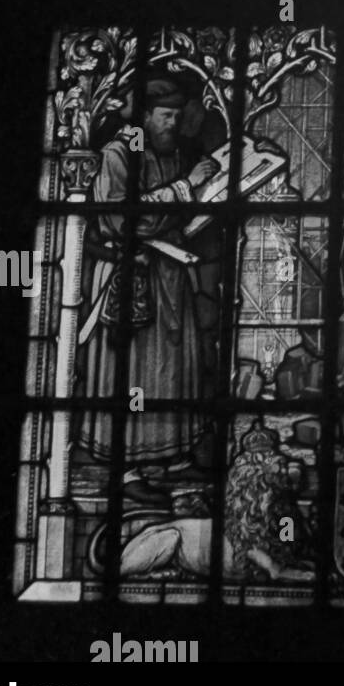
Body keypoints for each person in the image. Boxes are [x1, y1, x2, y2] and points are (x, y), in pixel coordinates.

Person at [75, 78, 220, 506]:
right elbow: (126, 220)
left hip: (168, 274)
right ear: (144, 117)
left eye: (177, 116)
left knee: (170, 370)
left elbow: (168, 212)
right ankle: (127, 467)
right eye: (166, 116)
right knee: (135, 373)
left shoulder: (168, 151)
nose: (173, 124)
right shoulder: (118, 154)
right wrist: (186, 186)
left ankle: (171, 457)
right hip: (130, 280)